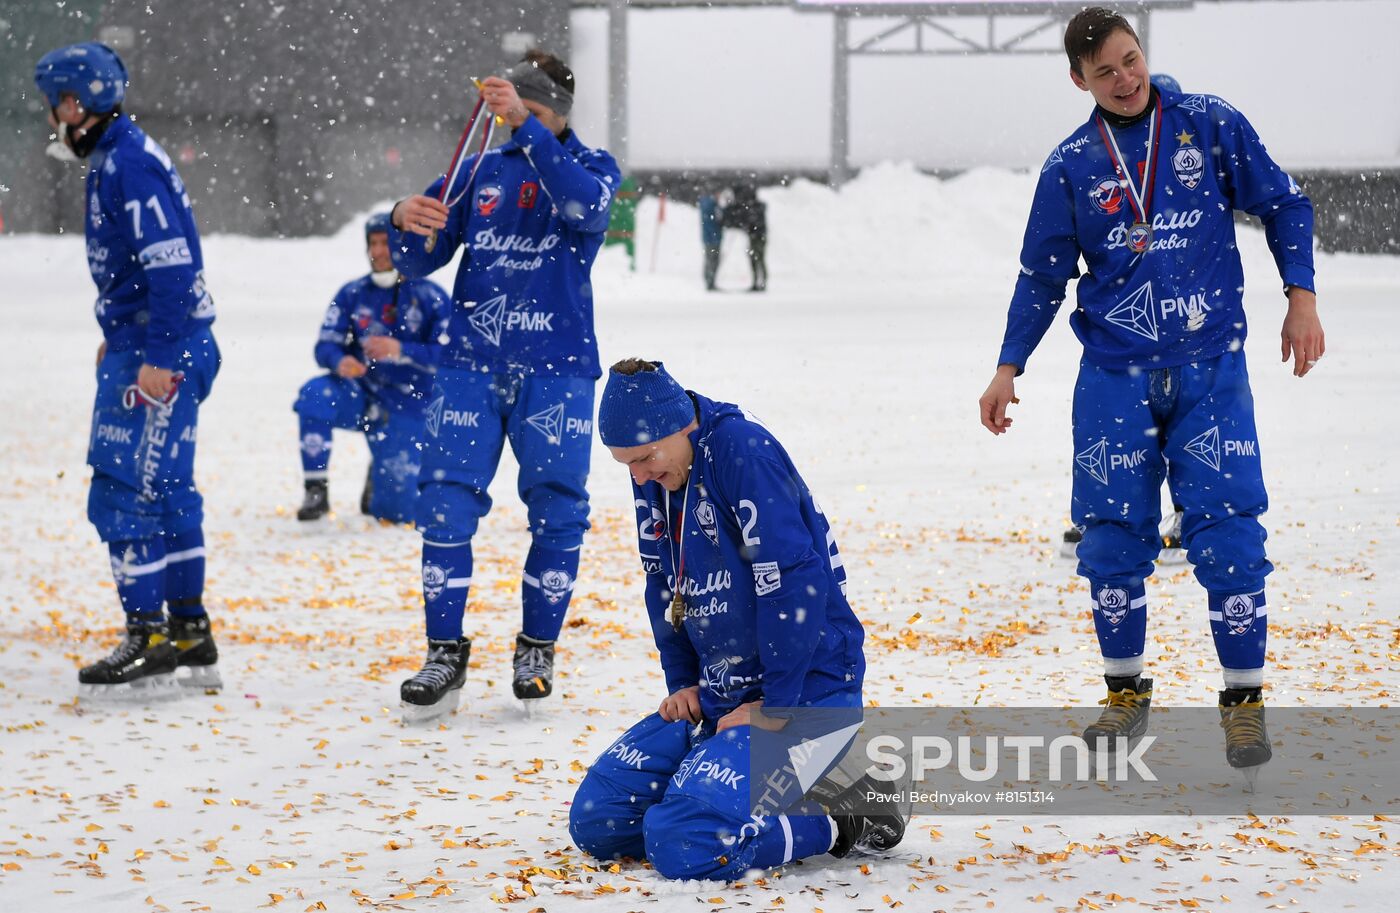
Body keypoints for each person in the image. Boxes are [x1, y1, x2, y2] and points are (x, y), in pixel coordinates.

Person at [977, 8, 1325, 777]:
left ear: (1143, 53)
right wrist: (1008, 365)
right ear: (1079, 81)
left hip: (1210, 372)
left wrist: (1300, 295)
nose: (1124, 79)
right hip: (1113, 378)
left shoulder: (1207, 124)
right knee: (1109, 540)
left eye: (1130, 60)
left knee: (1230, 535)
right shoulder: (1072, 165)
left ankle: (1243, 702)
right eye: (1104, 71)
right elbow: (1040, 277)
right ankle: (1125, 692)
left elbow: (1284, 203)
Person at [568, 360, 904, 881]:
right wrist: (683, 682)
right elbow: (664, 581)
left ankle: (847, 812)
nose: (638, 476)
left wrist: (778, 704)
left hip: (805, 694)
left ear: (683, 426)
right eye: (625, 464)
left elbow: (791, 581)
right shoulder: (659, 471)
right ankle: (712, 794)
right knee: (600, 821)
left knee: (687, 845)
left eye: (645, 458)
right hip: (720, 698)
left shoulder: (742, 451)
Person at [387, 50, 621, 718]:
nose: (514, 121)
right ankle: (443, 651)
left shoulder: (592, 167)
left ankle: (537, 648)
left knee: (558, 511)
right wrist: (400, 216)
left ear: (556, 112)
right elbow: (420, 259)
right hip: (469, 366)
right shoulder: (477, 170)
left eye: (531, 109)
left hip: (557, 369)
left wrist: (528, 129)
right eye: (511, 110)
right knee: (444, 506)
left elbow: (582, 208)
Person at [35, 43, 224, 696]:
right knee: (167, 489)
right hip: (155, 340)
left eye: (53, 105)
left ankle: (149, 637)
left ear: (74, 104)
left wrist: (155, 355)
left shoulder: (127, 164)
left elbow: (170, 265)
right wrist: (119, 338)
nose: (51, 118)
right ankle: (189, 631)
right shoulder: (123, 155)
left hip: (162, 348)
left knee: (122, 491)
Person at [1060, 71, 1187, 566]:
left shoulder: (1184, 154)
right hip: (1122, 342)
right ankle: (1105, 518)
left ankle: (1188, 514)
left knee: (1188, 432)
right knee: (1115, 433)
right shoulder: (1100, 159)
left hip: (1185, 338)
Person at [292, 213, 450, 523]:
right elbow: (324, 345)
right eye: (372, 243)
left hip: (410, 403)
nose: (377, 251)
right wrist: (340, 361)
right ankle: (316, 488)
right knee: (315, 395)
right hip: (361, 392)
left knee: (396, 513)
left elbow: (449, 356)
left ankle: (380, 475)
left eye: (385, 243)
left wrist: (402, 350)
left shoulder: (431, 297)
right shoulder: (352, 293)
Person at [722, 184, 768, 291]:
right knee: (756, 259)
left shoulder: (755, 208)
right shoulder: (755, 207)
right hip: (756, 236)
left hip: (758, 236)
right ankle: (758, 281)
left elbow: (751, 221)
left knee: (758, 259)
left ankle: (761, 282)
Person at [698, 190, 723, 291]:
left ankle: (709, 281)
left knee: (710, 260)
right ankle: (710, 282)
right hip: (712, 238)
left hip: (710, 238)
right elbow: (713, 222)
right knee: (712, 260)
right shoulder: (711, 206)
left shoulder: (707, 205)